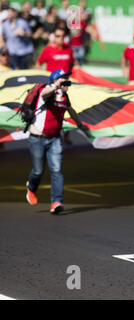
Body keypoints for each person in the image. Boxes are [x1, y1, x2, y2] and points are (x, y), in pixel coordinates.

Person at [25, 69, 90, 214]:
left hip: (55, 138)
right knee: (38, 170)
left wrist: (80, 124)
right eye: (63, 78)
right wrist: (55, 86)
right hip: (38, 137)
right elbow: (44, 94)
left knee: (56, 170)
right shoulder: (46, 90)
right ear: (55, 80)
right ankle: (31, 188)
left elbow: (70, 110)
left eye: (67, 78)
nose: (67, 80)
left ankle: (56, 202)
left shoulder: (64, 96)